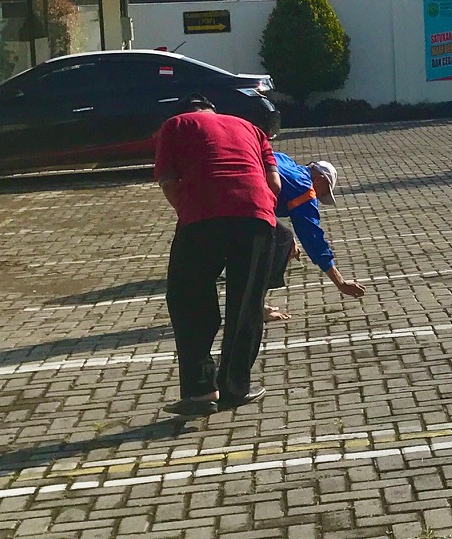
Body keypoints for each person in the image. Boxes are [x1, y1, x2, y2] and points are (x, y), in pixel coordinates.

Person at [153, 99, 282, 415]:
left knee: (188, 298)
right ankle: (236, 387)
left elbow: (168, 181)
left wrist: (187, 210)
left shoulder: (176, 124)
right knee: (246, 303)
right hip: (255, 214)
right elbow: (274, 183)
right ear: (213, 109)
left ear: (187, 110)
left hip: (202, 214)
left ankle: (200, 391)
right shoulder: (251, 128)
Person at [263, 154, 365, 322]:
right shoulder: (304, 188)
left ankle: (253, 301)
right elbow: (312, 239)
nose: (317, 197)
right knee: (280, 241)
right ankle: (254, 306)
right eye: (323, 191)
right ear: (319, 179)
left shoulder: (286, 161)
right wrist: (340, 282)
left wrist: (291, 239)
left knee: (284, 237)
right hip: (243, 202)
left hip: (229, 187)